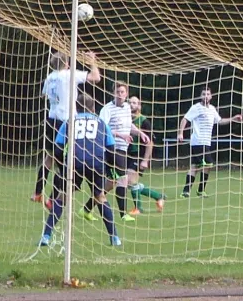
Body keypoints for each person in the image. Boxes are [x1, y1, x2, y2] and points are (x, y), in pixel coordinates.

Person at [39, 93, 121, 247]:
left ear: (76, 107)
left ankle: (46, 236)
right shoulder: (102, 123)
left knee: (62, 198)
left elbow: (58, 148)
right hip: (96, 162)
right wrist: (111, 170)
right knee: (100, 197)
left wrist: (63, 167)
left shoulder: (69, 122)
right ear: (93, 108)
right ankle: (114, 237)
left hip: (74, 162)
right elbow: (111, 149)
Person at [31, 51, 100, 204]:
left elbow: (44, 95)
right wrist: (92, 61)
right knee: (66, 163)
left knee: (50, 158)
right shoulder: (69, 75)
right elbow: (96, 78)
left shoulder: (50, 77)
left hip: (51, 119)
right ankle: (52, 199)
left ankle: (37, 192)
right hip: (66, 122)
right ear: (67, 64)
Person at [96, 81, 150, 222]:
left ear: (126, 94)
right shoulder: (107, 109)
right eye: (117, 92)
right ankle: (123, 214)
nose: (120, 95)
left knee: (112, 182)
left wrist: (140, 133)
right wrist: (121, 135)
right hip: (111, 147)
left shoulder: (126, 107)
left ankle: (87, 208)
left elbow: (128, 124)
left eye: (122, 92)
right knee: (123, 179)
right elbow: (102, 129)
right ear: (113, 93)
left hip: (122, 148)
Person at [177, 87, 242, 198]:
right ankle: (199, 190)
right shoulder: (196, 107)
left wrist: (233, 119)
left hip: (206, 142)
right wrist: (180, 133)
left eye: (208, 94)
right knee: (208, 164)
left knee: (196, 166)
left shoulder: (212, 109)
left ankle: (187, 191)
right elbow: (185, 119)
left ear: (211, 96)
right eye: (203, 94)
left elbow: (220, 121)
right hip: (198, 141)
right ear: (200, 96)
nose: (206, 96)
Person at [127, 96, 165, 215]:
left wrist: (145, 160)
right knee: (129, 182)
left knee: (131, 181)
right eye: (129, 103)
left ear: (139, 106)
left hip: (139, 154)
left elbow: (150, 142)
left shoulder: (144, 121)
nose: (131, 105)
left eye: (134, 103)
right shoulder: (126, 120)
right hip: (128, 153)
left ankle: (138, 208)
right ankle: (158, 197)